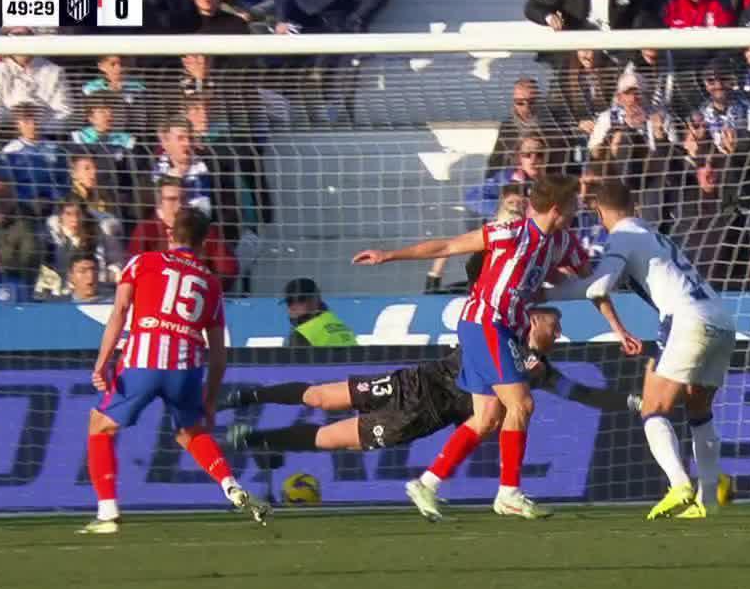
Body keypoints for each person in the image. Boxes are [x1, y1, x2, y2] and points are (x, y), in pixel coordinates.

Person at [351, 175, 641, 520]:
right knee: (522, 403)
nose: (578, 212)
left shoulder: (563, 243)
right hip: (485, 322)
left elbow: (594, 286)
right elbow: (447, 247)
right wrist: (388, 255)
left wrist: (618, 328)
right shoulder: (510, 233)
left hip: (504, 329)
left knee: (488, 417)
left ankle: (426, 483)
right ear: (555, 209)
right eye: (573, 207)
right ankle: (509, 493)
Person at [223, 308, 577, 523]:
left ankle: (255, 438)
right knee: (321, 397)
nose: (558, 333)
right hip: (413, 384)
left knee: (330, 439)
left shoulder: (532, 373)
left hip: (420, 420)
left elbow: (563, 394)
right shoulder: (496, 329)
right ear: (534, 318)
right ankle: (247, 396)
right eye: (554, 324)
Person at [544, 181, 736, 519]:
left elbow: (599, 285)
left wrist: (543, 296)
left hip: (686, 320)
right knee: (699, 409)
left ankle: (679, 485)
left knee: (653, 408)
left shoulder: (622, 236)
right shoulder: (653, 234)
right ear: (634, 205)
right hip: (721, 319)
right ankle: (707, 501)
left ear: (600, 212)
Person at [80, 209, 270, 534]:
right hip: (186, 367)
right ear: (204, 242)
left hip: (143, 359)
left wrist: (102, 361)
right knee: (191, 433)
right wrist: (209, 400)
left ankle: (108, 511)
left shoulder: (142, 262)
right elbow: (219, 354)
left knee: (100, 425)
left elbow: (120, 313)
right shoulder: (210, 283)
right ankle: (230, 484)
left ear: (169, 233)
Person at [283, 277, 357, 347]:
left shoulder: (301, 335)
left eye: (300, 300)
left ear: (315, 299)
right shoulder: (339, 324)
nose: (293, 306)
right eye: (289, 302)